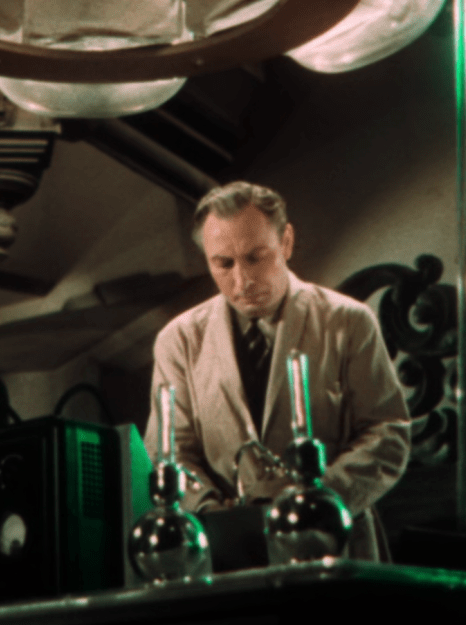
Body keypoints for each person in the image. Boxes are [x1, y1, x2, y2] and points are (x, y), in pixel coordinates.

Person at [145, 181, 411, 561]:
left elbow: (388, 434)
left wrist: (317, 500)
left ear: (286, 242)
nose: (242, 281)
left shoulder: (348, 321)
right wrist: (209, 511)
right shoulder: (179, 340)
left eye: (256, 258)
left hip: (334, 544)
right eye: (224, 264)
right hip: (227, 555)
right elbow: (169, 452)